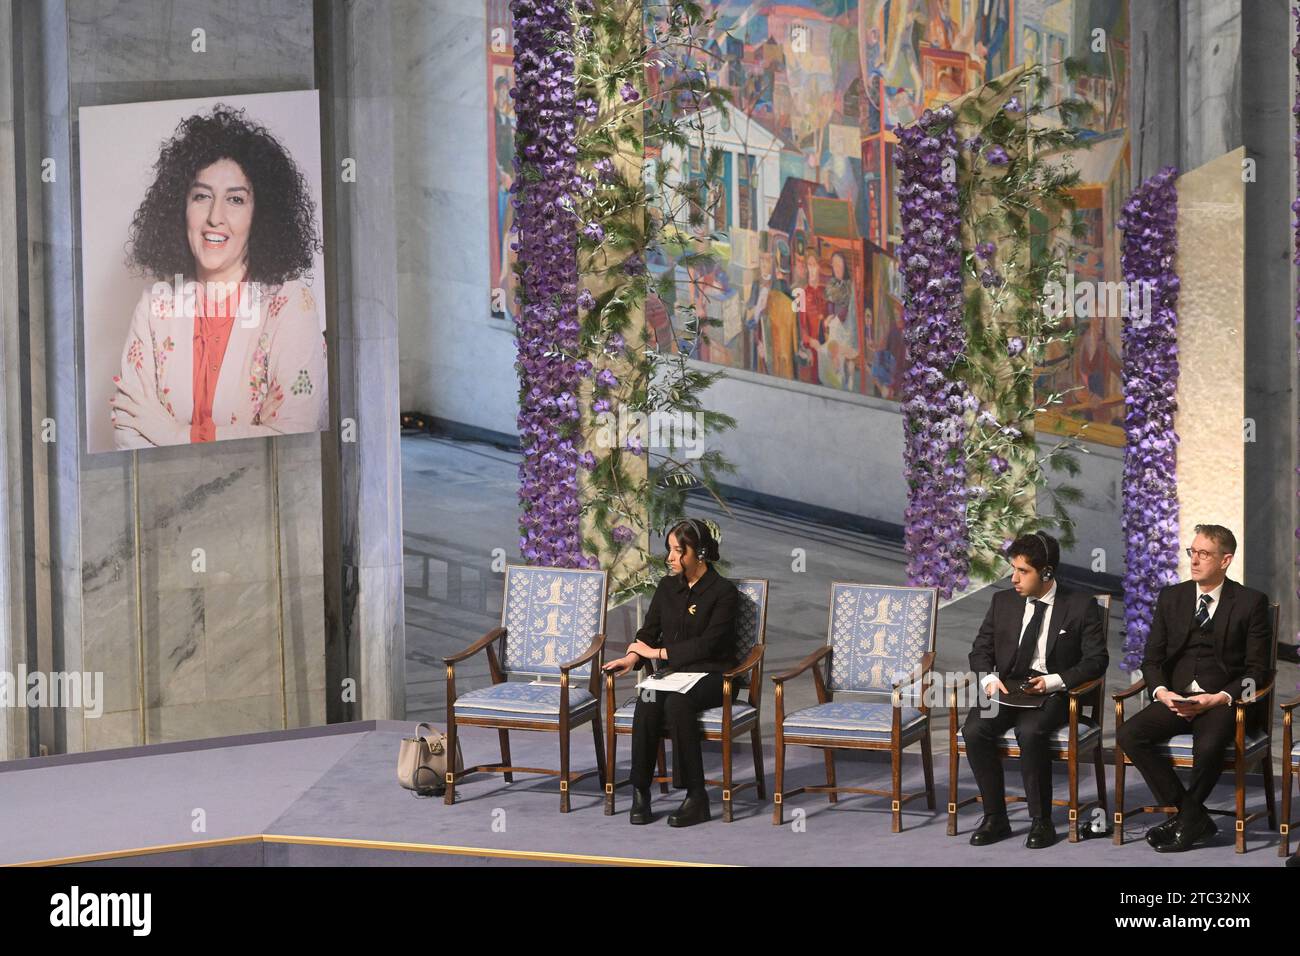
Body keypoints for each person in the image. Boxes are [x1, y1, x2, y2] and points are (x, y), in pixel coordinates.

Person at [110, 103, 327, 448]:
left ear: (261, 214)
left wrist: (176, 435)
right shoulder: (156, 305)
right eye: (201, 196)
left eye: (236, 200)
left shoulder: (289, 304)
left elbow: (295, 434)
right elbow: (126, 428)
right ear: (180, 208)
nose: (215, 217)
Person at [1116, 524, 1273, 853]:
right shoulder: (1172, 597)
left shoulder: (1250, 602)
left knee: (1210, 744)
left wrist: (1222, 696)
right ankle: (1192, 816)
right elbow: (1152, 660)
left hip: (1222, 700)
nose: (1195, 560)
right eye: (1193, 552)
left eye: (1204, 554)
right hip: (1177, 697)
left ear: (1225, 560)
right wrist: (1162, 692)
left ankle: (1187, 822)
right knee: (1130, 734)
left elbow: (1258, 671)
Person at [963, 531, 1108, 848]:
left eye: (1022, 571)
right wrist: (988, 679)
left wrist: (1054, 680)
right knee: (974, 730)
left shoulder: (1081, 605)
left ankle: (1041, 821)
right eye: (1013, 569)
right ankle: (995, 817)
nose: (1014, 578)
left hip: (1052, 693)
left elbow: (1097, 661)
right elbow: (980, 651)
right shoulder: (1002, 602)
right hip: (1006, 688)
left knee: (1030, 733)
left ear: (1046, 572)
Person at [602, 519, 739, 827]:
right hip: (675, 675)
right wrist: (633, 656)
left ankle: (696, 796)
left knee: (679, 704)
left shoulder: (723, 593)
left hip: (715, 676)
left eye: (679, 551)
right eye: (670, 550)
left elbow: (709, 645)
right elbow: (649, 631)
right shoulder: (667, 587)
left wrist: (659, 654)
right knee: (647, 699)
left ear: (699, 553)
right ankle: (640, 791)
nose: (670, 558)